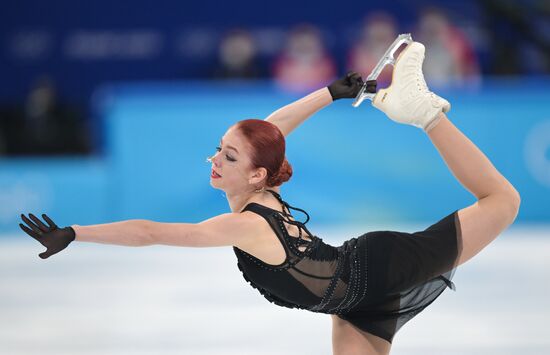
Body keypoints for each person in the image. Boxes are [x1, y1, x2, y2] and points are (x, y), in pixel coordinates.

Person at [19, 41, 520, 354]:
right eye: (220, 149)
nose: (215, 160)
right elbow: (272, 130)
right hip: (351, 301)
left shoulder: (248, 224)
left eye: (229, 157)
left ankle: (425, 112)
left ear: (257, 175)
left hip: (377, 268)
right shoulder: (263, 186)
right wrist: (329, 93)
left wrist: (77, 232)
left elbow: (151, 232)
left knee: (501, 200)